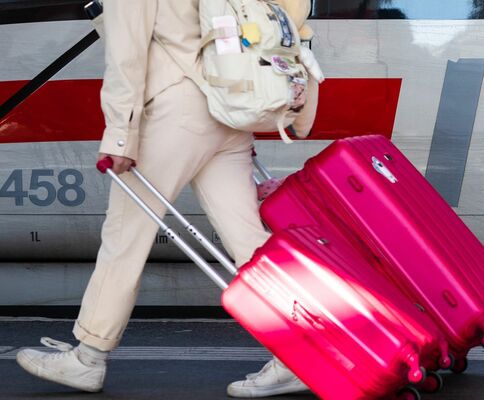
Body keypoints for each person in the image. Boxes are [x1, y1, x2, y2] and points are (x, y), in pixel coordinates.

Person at [16, 1, 317, 398]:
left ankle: (87, 358)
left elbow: (127, 55)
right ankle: (302, 355)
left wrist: (121, 135)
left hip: (176, 115)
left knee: (126, 237)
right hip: (228, 112)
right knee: (249, 243)